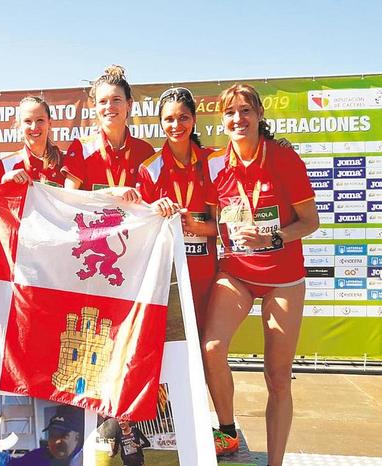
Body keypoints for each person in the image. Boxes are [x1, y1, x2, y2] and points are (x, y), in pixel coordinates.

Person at [202, 84, 319, 463]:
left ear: (259, 115)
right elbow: (207, 219)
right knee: (212, 348)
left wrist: (274, 236)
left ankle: (275, 462)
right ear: (222, 119)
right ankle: (227, 431)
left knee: (277, 377)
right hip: (236, 273)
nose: (239, 119)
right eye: (231, 112)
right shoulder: (215, 163)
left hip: (283, 278)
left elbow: (310, 222)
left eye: (246, 111)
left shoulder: (284, 158)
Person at [137, 87, 217, 337]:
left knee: (206, 349)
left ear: (194, 119)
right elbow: (142, 231)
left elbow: (226, 227)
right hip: (167, 277)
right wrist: (152, 210)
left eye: (183, 117)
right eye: (169, 119)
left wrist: (197, 227)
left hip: (207, 276)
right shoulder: (149, 169)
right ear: (160, 123)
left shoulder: (214, 161)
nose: (176, 125)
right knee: (169, 347)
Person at [61, 65, 154, 203]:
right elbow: (68, 198)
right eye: (103, 101)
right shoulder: (81, 148)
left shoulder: (145, 151)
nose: (109, 106)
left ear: (129, 104)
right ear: (95, 106)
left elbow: (153, 203)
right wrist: (112, 192)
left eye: (116, 99)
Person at [1, 96, 66, 187]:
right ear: (19, 125)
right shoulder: (6, 165)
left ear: (49, 123)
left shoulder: (66, 161)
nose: (34, 127)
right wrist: (4, 180)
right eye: (28, 121)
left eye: (40, 120)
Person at [12, 412, 83, 466]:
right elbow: (11, 463)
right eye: (52, 435)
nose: (56, 441)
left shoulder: (89, 459)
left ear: (77, 437)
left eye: (63, 435)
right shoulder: (39, 456)